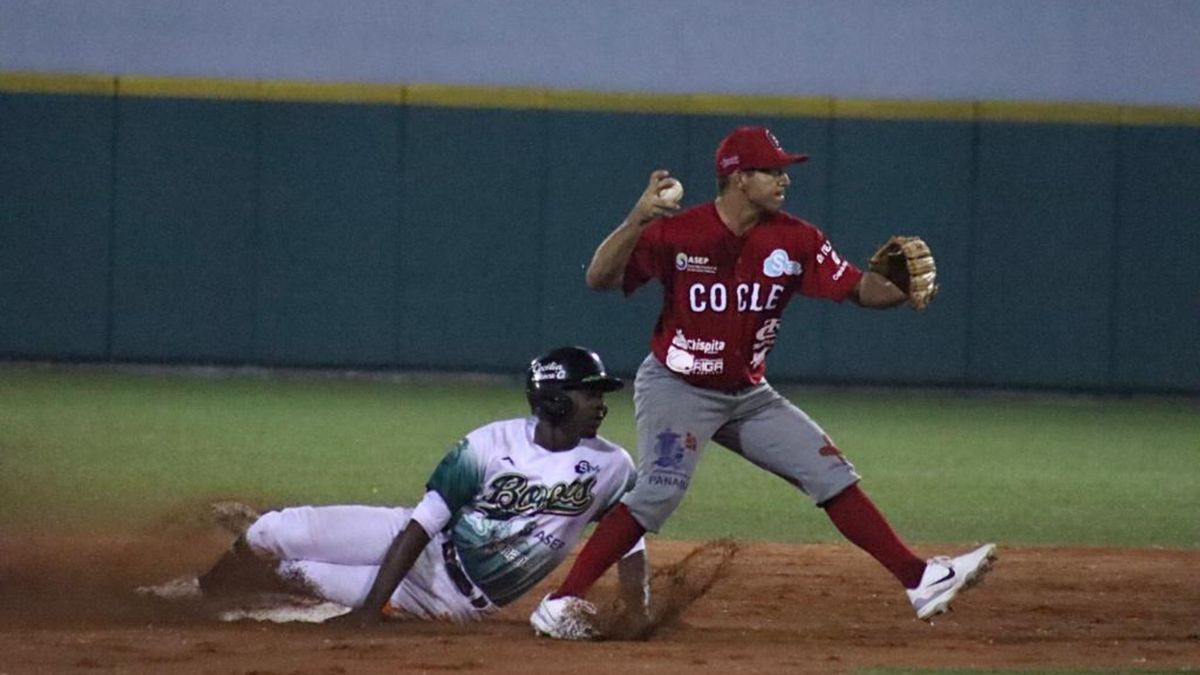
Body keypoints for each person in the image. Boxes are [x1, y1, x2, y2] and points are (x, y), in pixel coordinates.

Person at [529, 126, 996, 639]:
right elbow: (599, 278)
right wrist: (637, 219)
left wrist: (900, 290)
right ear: (738, 176)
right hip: (677, 386)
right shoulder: (679, 233)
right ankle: (560, 601)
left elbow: (860, 289)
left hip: (748, 396)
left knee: (831, 474)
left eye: (783, 170)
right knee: (658, 492)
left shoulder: (797, 239)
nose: (783, 180)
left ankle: (919, 579)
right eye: (772, 170)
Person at [143, 346, 648, 629]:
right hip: (419, 545)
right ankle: (201, 589)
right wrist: (368, 612)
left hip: (451, 602)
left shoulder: (610, 465)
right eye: (591, 393)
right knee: (276, 529)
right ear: (555, 401)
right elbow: (424, 522)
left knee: (293, 572)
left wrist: (637, 609)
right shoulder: (489, 444)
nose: (602, 403)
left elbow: (630, 534)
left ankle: (272, 594)